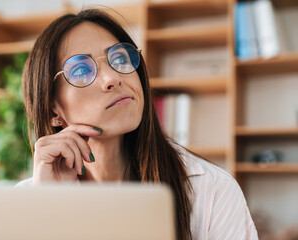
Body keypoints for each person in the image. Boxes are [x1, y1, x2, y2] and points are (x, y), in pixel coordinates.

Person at [16, 8, 258, 240]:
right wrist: (48, 208)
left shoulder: (211, 189)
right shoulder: (26, 201)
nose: (113, 78)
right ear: (52, 110)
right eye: (80, 69)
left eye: (119, 58)